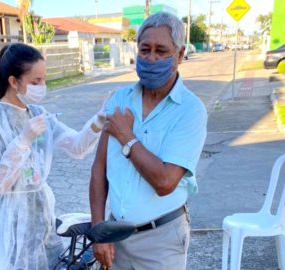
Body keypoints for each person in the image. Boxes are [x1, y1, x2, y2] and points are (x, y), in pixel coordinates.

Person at [89, 12, 207, 270]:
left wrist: (126, 137)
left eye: (161, 51)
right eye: (145, 50)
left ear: (179, 54)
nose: (151, 58)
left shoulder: (190, 111)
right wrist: (98, 230)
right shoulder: (119, 99)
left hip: (161, 240)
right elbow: (99, 169)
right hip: (115, 236)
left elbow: (165, 182)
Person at [0, 43, 106, 270]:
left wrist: (98, 121)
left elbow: (76, 146)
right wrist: (23, 141)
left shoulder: (38, 114)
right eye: (35, 82)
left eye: (44, 80)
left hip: (42, 217)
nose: (42, 87)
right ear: (14, 82)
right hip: (12, 222)